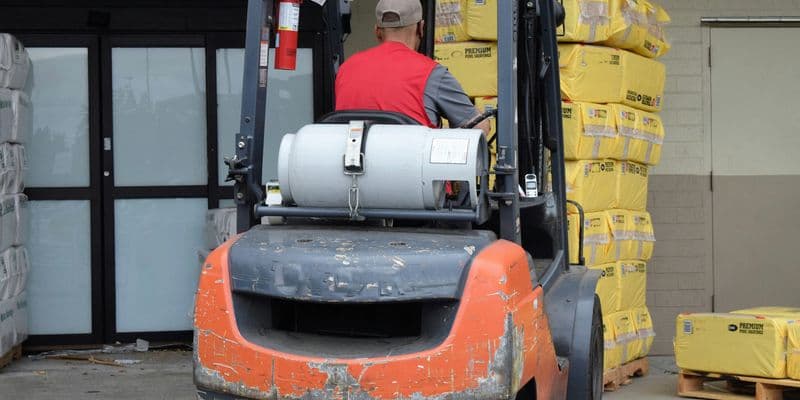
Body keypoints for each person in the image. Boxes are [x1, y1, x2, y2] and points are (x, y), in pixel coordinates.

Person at [335, 0, 491, 136]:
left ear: (377, 31)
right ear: (421, 28)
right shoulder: (431, 73)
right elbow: (479, 127)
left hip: (354, 168)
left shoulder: (345, 69)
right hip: (410, 169)